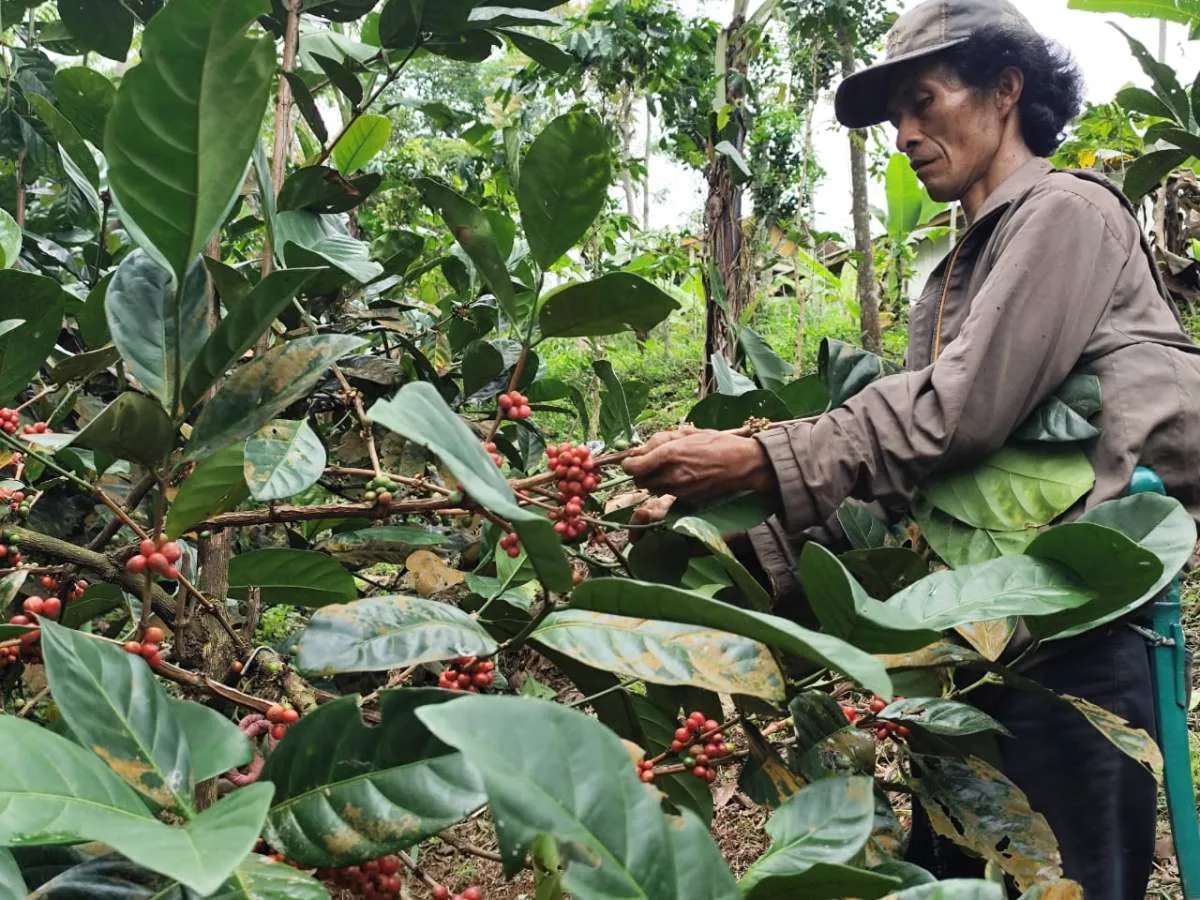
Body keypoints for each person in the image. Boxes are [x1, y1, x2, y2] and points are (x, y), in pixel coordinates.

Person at [622, 1, 1200, 896]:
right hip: (977, 634)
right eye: (895, 116)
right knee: (962, 875)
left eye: (923, 102)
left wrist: (765, 458)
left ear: (1006, 90)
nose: (903, 134)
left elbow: (954, 414)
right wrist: (732, 546)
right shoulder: (971, 255)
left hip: (1070, 637)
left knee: (1070, 879)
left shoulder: (1064, 213)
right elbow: (930, 480)